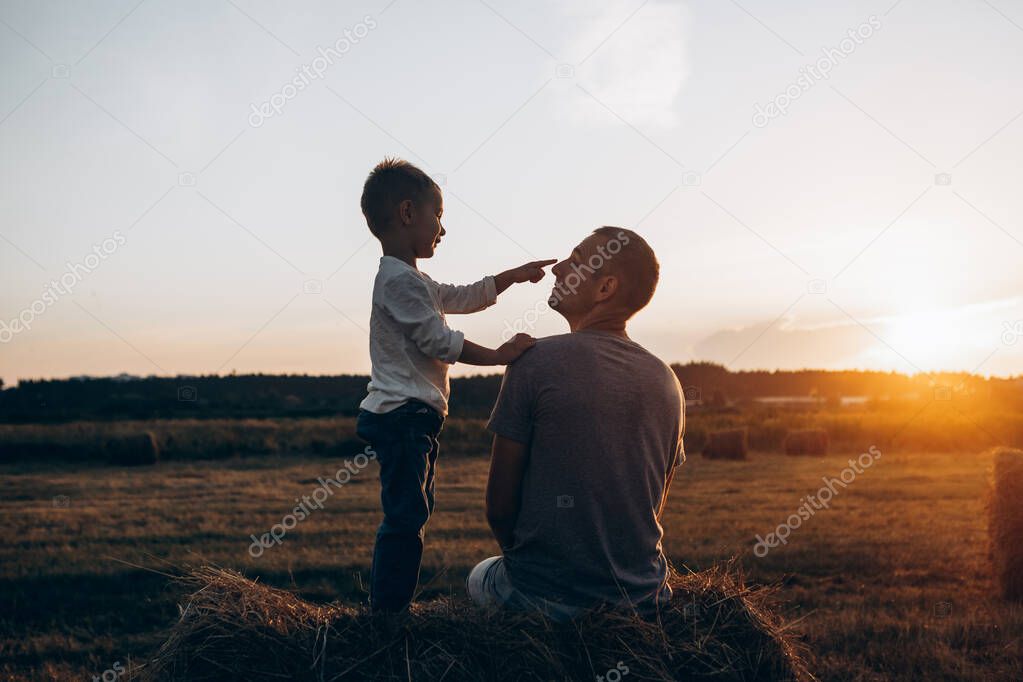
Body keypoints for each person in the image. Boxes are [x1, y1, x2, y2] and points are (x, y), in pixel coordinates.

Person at [356, 158, 555, 613]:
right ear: (408, 213)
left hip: (415, 417)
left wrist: (514, 274)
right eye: (438, 216)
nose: (442, 229)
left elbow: (463, 296)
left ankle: (390, 611)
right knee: (406, 519)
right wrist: (500, 356)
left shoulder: (413, 280)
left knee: (414, 513)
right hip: (403, 416)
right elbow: (441, 342)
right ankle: (387, 617)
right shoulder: (396, 281)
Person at [466, 227, 685, 620]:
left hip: (544, 599)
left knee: (478, 577)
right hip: (644, 598)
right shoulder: (667, 380)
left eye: (577, 260)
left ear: (605, 289)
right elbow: (653, 503)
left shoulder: (534, 361)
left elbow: (499, 507)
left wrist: (532, 571)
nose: (558, 269)